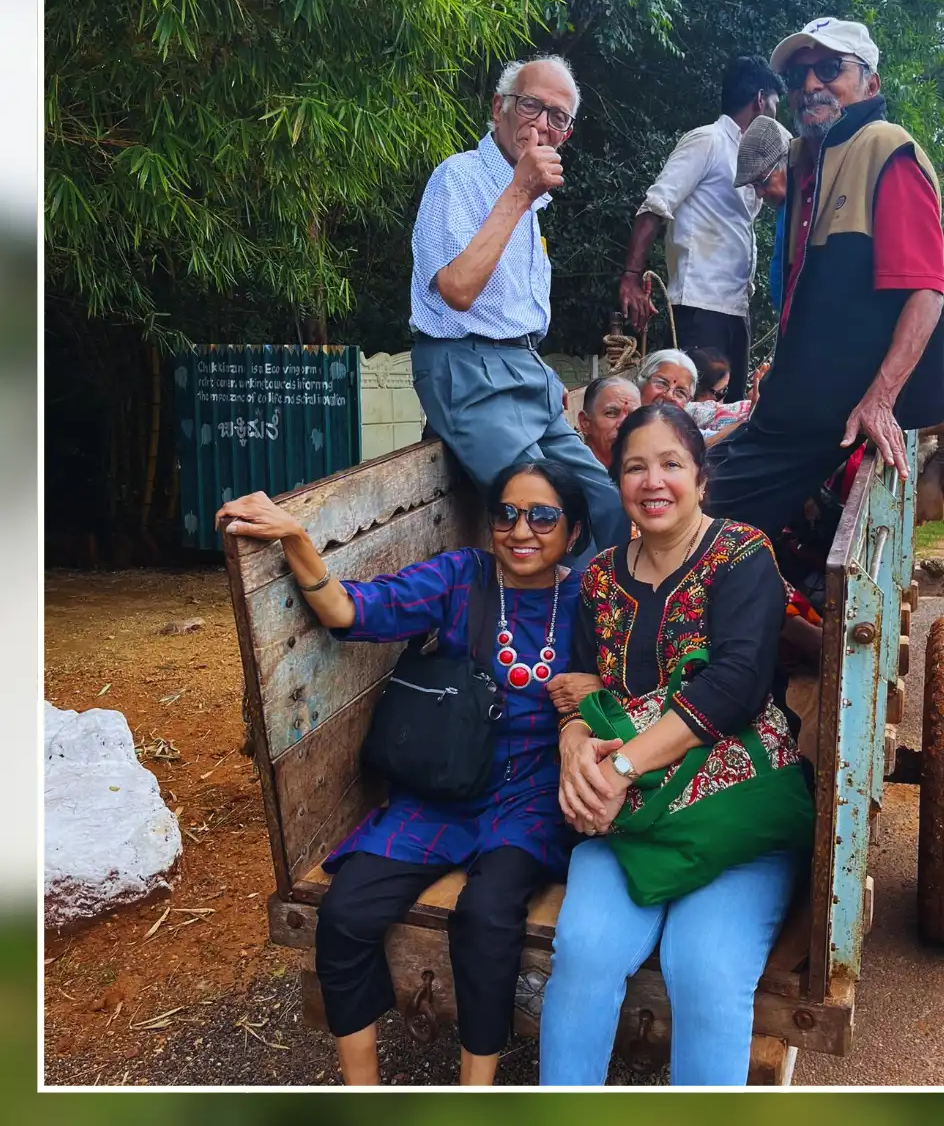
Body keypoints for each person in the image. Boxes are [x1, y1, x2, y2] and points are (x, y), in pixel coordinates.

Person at [215, 461, 589, 1087]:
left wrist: (597, 688)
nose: (522, 530)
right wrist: (296, 537)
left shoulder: (592, 597)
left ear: (572, 533)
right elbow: (348, 610)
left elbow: (640, 680)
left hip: (528, 799)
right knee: (347, 913)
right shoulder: (458, 578)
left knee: (488, 916)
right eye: (507, 513)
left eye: (544, 516)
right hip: (441, 788)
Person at [539, 403, 814, 1086]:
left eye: (670, 464)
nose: (653, 481)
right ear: (617, 480)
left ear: (700, 477)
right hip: (627, 810)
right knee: (584, 949)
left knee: (706, 966)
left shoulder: (742, 555)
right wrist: (576, 749)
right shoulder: (598, 579)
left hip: (733, 805)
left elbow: (735, 688)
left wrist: (621, 766)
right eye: (635, 466)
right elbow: (580, 688)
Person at [705, 17, 944, 541]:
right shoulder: (804, 159)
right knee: (693, 462)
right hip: (800, 403)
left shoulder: (885, 148)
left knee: (705, 509)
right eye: (797, 77)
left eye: (828, 69)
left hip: (835, 411)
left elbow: (925, 290)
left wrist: (880, 399)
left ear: (870, 82)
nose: (810, 85)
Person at [408, 54, 626, 551]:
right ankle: (573, 624)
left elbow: (516, 315)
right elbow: (458, 291)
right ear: (499, 108)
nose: (542, 125)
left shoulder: (531, 204)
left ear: (566, 134)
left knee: (607, 504)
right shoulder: (459, 177)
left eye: (558, 117)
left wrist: (543, 376)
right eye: (531, 105)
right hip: (466, 368)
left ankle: (613, 624)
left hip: (523, 371)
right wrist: (520, 190)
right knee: (547, 514)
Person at [617, 57, 786, 402]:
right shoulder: (707, 141)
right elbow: (655, 206)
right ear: (759, 100)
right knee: (693, 411)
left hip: (736, 306)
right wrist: (632, 277)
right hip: (700, 306)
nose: (776, 115)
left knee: (732, 410)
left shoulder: (754, 156)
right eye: (774, 106)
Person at [731, 114, 793, 313]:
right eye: (754, 186)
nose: (759, 193)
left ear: (787, 162)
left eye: (763, 181)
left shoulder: (814, 202)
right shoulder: (787, 208)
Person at [576, 375, 640, 470]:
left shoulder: (649, 478)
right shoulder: (564, 478)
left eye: (633, 415)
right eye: (611, 413)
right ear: (585, 422)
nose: (623, 424)